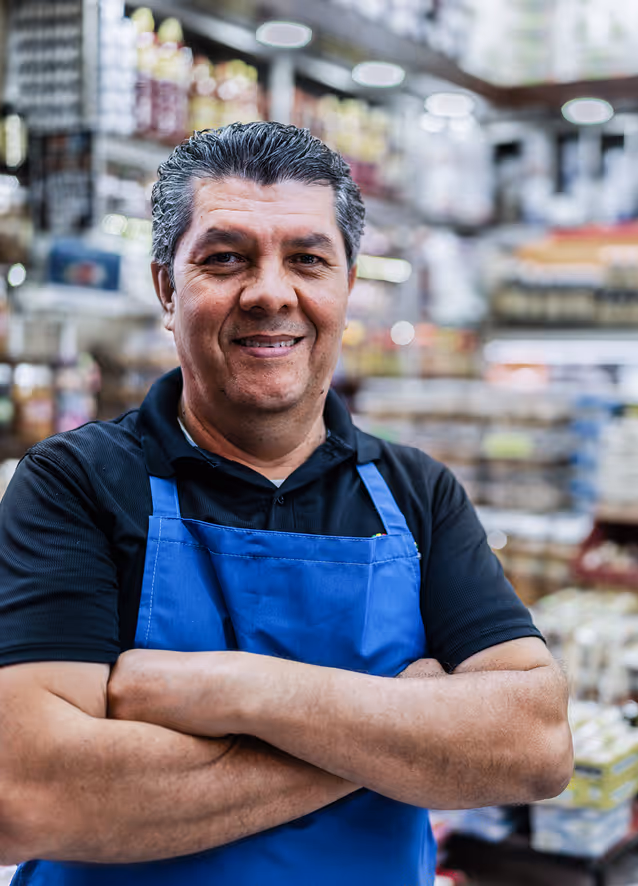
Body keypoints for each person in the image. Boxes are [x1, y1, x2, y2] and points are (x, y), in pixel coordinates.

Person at [0, 122, 573, 885]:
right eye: (226, 258)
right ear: (168, 289)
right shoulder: (74, 484)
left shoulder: (417, 493)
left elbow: (534, 746)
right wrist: (401, 734)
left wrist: (235, 690)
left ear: (346, 287)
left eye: (306, 259)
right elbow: (28, 794)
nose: (272, 292)